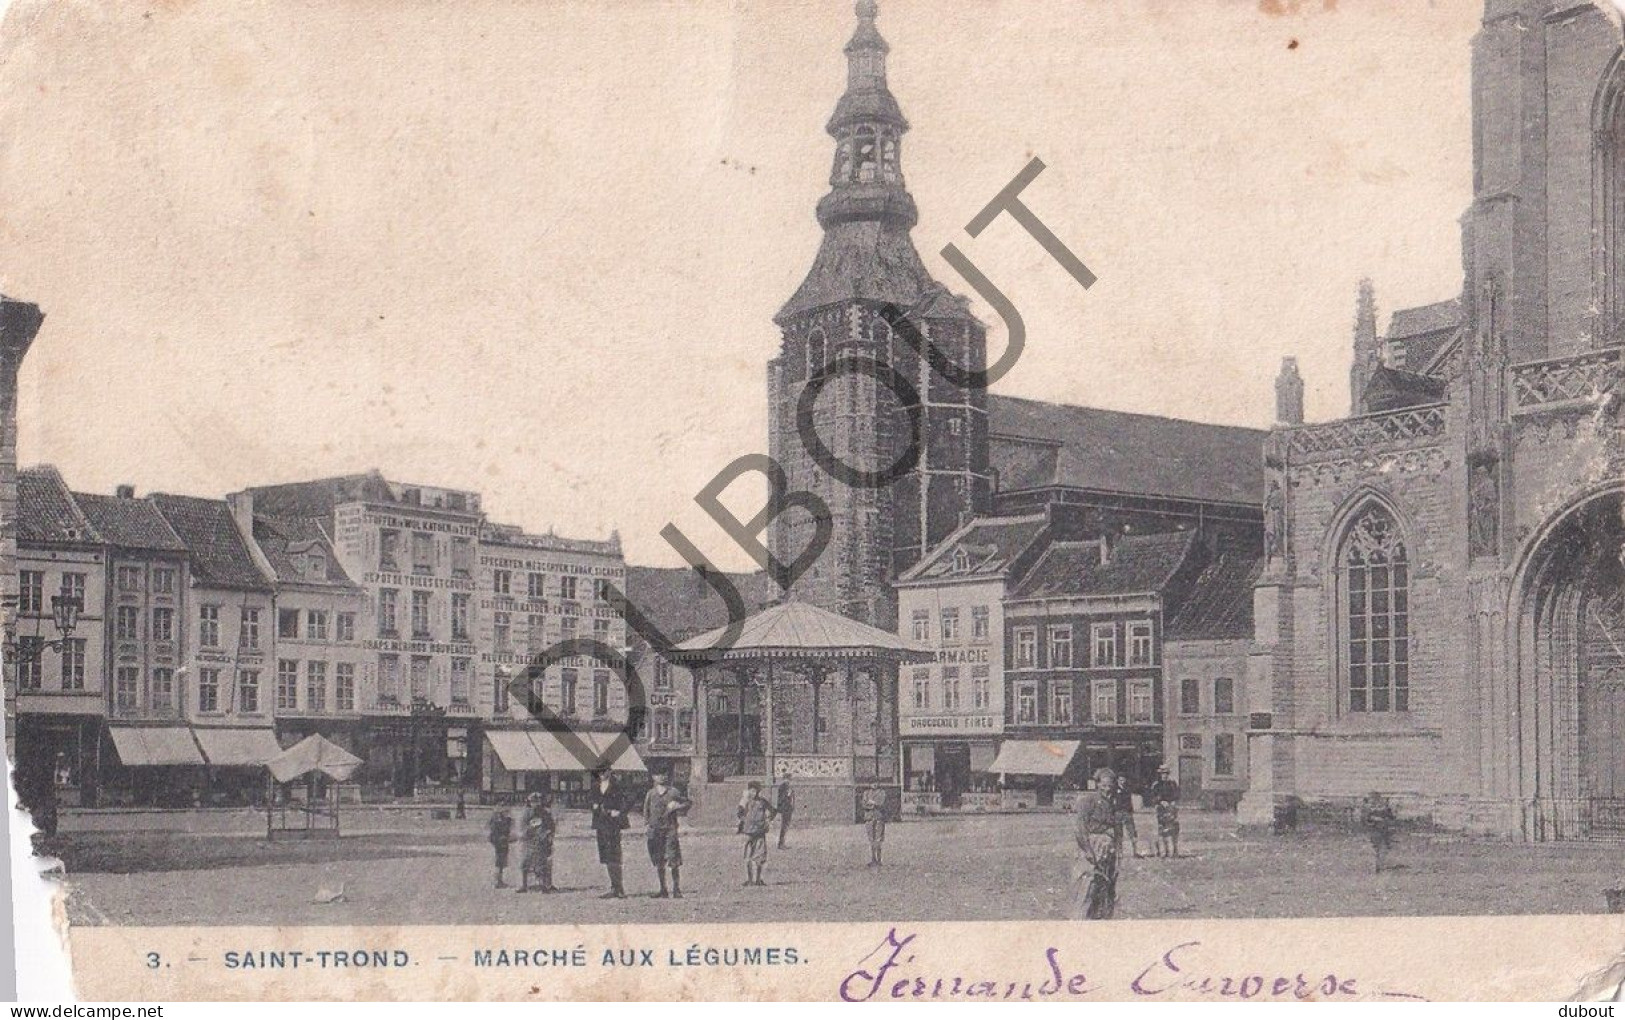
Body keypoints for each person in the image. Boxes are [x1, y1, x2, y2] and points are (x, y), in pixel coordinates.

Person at [1073, 767, 1120, 920]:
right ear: (1097, 784)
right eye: (1104, 785)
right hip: (1093, 847)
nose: (1107, 789)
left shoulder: (1112, 803)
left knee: (1106, 885)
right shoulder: (1088, 800)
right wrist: (1087, 850)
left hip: (1108, 850)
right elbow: (1080, 828)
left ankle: (1099, 918)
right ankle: (1080, 919)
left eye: (1110, 786)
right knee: (1088, 884)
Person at [642, 769, 692, 899]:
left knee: (673, 858)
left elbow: (687, 803)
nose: (662, 777)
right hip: (656, 831)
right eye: (659, 774)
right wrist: (647, 826)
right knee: (659, 860)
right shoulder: (651, 793)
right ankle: (663, 889)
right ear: (653, 777)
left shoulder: (673, 792)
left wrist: (677, 806)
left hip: (670, 830)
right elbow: (646, 811)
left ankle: (676, 889)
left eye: (664, 774)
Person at [589, 767, 630, 899]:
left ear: (609, 771)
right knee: (606, 855)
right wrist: (593, 805)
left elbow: (629, 799)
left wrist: (619, 812)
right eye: (599, 772)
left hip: (613, 824)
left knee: (614, 854)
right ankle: (614, 887)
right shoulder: (595, 786)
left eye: (604, 771)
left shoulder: (617, 785)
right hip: (601, 823)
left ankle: (619, 888)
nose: (601, 774)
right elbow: (590, 800)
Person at [518, 791, 557, 893]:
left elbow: (551, 826)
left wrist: (548, 835)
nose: (536, 804)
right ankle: (524, 885)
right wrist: (529, 829)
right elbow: (522, 827)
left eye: (538, 801)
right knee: (525, 863)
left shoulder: (545, 813)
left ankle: (545, 885)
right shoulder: (526, 813)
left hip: (542, 842)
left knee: (543, 864)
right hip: (529, 841)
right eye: (533, 801)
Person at [739, 780, 775, 887]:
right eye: (751, 791)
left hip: (760, 831)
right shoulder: (745, 801)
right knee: (747, 857)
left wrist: (768, 821)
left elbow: (773, 811)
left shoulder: (763, 802)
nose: (753, 793)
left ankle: (758, 879)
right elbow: (739, 812)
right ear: (748, 791)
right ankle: (749, 879)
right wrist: (745, 821)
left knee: (760, 856)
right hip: (748, 832)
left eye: (755, 791)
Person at [1361, 791, 1397, 874]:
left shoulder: (1382, 809)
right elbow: (1366, 821)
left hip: (1381, 831)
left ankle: (1379, 865)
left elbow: (1391, 818)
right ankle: (1378, 866)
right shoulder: (1372, 810)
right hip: (1378, 831)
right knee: (1379, 849)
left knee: (1380, 849)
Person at [1113, 773, 1141, 858]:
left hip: (1127, 812)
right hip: (1118, 812)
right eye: (1120, 780)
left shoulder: (1127, 789)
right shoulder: (1114, 790)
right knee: (1118, 833)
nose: (1122, 782)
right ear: (1117, 780)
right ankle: (1119, 852)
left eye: (1123, 780)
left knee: (1132, 832)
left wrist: (1131, 811)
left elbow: (1130, 801)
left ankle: (1135, 852)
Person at [861, 783, 888, 868]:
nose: (874, 785)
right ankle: (873, 859)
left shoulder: (882, 792)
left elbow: (882, 803)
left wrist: (872, 803)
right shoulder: (866, 793)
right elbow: (864, 804)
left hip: (879, 817)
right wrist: (873, 805)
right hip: (869, 818)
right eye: (872, 783)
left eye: (876, 783)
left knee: (878, 839)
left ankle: (879, 859)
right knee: (871, 839)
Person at [487, 806, 514, 888]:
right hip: (499, 842)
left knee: (501, 862)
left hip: (502, 841)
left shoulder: (505, 819)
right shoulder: (497, 819)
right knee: (499, 862)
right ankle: (497, 881)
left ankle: (499, 880)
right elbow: (494, 832)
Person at [775, 778, 795, 849]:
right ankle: (781, 843)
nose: (789, 781)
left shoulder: (789, 788)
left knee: (786, 827)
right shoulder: (782, 787)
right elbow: (781, 799)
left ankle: (783, 843)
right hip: (785, 809)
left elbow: (792, 799)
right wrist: (788, 795)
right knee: (784, 827)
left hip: (789, 809)